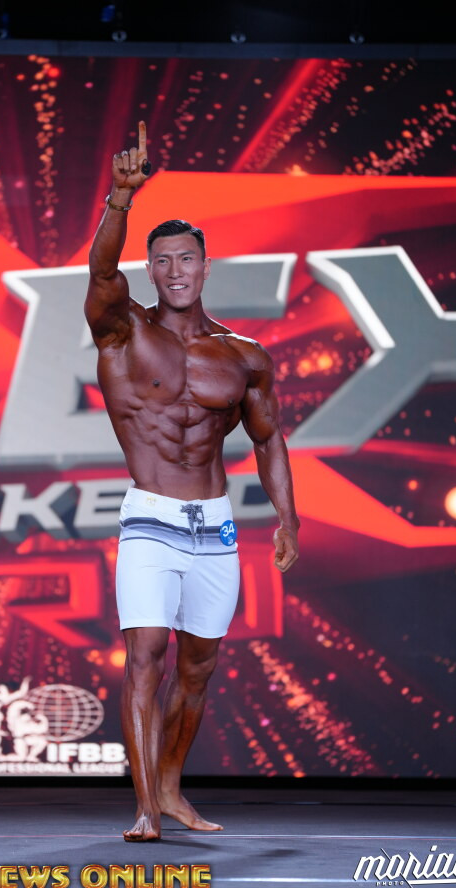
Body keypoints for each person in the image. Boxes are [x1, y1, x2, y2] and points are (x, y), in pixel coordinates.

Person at [85, 121, 300, 841]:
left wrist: (288, 519)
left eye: (186, 259)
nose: (175, 270)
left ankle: (172, 790)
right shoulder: (123, 331)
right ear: (150, 271)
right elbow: (101, 275)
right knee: (145, 656)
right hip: (151, 518)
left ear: (206, 268)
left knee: (198, 669)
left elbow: (268, 438)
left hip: (215, 527)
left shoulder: (244, 355)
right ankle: (146, 809)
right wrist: (120, 200)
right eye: (163, 261)